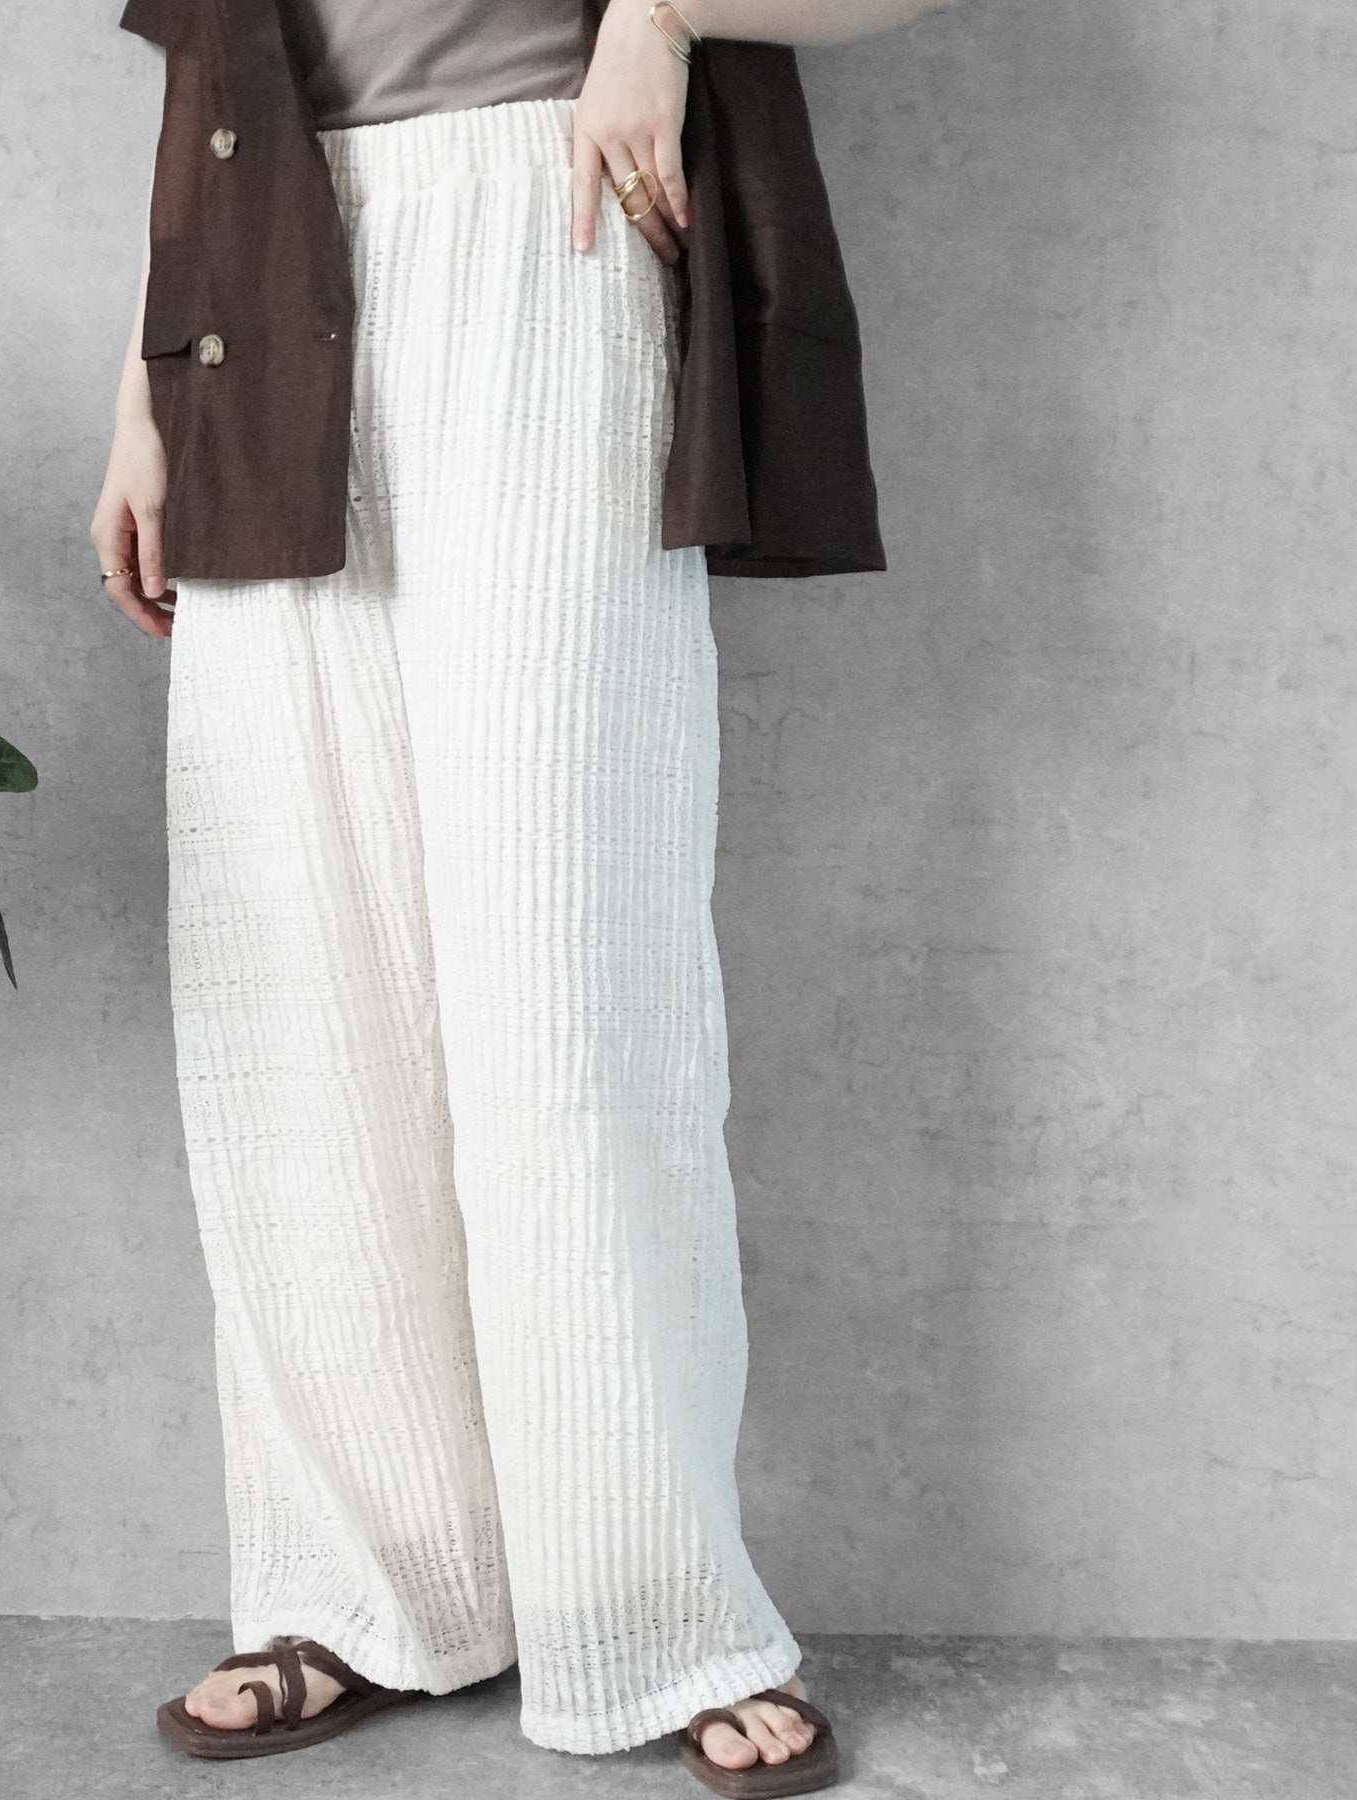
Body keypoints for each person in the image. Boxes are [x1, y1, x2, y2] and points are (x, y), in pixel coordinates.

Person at [93, 1, 952, 1791]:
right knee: (305, 998)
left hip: (545, 230)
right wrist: (146, 398)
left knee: (569, 994)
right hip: (256, 301)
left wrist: (665, 10)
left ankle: (657, 1610)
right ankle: (363, 1589)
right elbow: (213, 80)